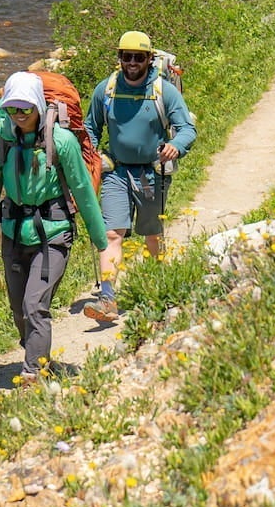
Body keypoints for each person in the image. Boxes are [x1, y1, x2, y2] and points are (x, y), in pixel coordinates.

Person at [0, 71, 108, 381]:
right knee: (19, 310)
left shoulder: (60, 141)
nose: (19, 115)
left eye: (25, 108)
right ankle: (38, 354)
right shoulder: (0, 140)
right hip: (13, 232)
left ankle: (33, 374)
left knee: (35, 304)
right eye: (12, 108)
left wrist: (99, 237)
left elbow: (81, 189)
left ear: (37, 105)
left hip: (54, 233)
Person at [82, 30, 194, 319]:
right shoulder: (104, 90)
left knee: (152, 235)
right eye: (126, 56)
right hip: (116, 172)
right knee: (111, 233)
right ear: (119, 57)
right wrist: (89, 156)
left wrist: (175, 146)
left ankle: (158, 287)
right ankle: (108, 298)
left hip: (150, 174)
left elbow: (187, 129)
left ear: (149, 59)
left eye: (138, 57)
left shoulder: (163, 91)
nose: (132, 62)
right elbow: (91, 128)